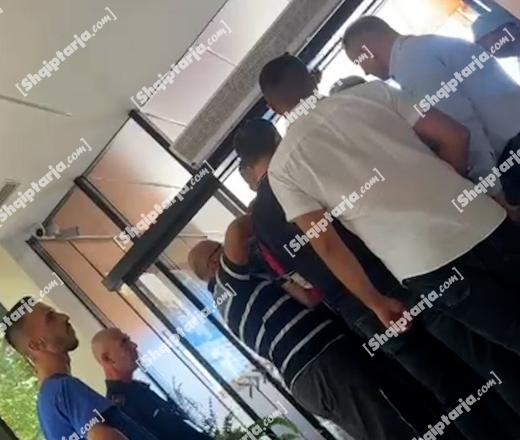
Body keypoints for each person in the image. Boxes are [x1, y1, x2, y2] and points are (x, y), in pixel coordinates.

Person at [234, 116, 520, 437]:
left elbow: (300, 281)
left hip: (360, 311)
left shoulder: (259, 225)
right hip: (399, 274)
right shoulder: (304, 170)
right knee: (482, 358)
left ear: (247, 168)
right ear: (276, 137)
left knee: (449, 389)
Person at [258, 54, 520, 379]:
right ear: (312, 79)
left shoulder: (284, 169)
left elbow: (327, 245)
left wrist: (375, 302)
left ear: (273, 107)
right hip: (482, 219)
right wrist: (452, 190)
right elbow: (456, 136)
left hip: (425, 262)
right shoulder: (373, 93)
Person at [188, 217, 419, 440]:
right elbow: (237, 229)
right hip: (320, 364)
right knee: (386, 430)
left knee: (380, 424)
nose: (231, 250)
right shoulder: (228, 284)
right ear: (213, 264)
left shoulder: (240, 292)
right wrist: (262, 214)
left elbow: (308, 300)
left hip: (312, 376)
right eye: (220, 249)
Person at [343, 15, 520, 206]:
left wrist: (494, 192)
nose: (365, 72)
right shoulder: (422, 49)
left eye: (359, 62)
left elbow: (463, 128)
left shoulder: (412, 64)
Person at [4, 297, 158, 440]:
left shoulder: (48, 402)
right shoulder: (63, 389)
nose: (64, 317)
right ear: (36, 345)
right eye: (50, 317)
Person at [91, 328, 213, 440]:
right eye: (124, 342)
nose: (134, 345)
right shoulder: (122, 408)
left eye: (129, 340)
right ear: (108, 358)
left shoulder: (138, 389)